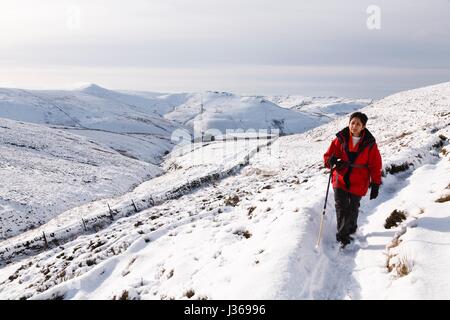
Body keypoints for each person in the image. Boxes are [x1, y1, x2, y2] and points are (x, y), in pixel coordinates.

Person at [323, 112, 382, 247]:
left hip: (359, 180)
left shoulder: (370, 144)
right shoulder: (341, 138)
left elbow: (375, 164)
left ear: (363, 127)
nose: (354, 126)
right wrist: (330, 161)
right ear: (349, 124)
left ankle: (352, 227)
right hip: (340, 177)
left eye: (358, 124)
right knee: (341, 206)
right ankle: (342, 236)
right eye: (352, 123)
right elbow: (328, 156)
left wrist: (376, 184)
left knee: (353, 207)